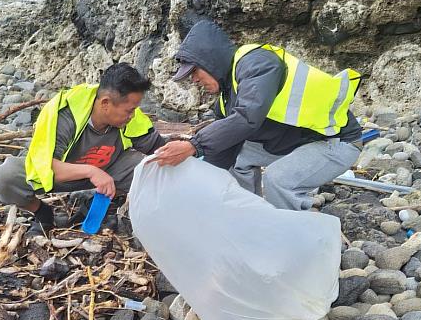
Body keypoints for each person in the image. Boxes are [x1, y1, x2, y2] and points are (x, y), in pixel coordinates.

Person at [153, 20, 363, 211]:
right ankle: (249, 213)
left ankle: (289, 239)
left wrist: (194, 145)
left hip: (335, 141)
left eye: (195, 72)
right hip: (298, 141)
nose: (195, 81)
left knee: (277, 180)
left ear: (210, 60)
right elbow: (221, 153)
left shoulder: (256, 63)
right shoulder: (226, 100)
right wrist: (197, 180)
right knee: (236, 155)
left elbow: (248, 117)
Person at [0, 63, 165, 235]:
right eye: (129, 111)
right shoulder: (66, 113)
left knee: (150, 169)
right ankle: (42, 213)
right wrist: (92, 172)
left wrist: (188, 149)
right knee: (5, 177)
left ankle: (95, 205)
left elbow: (158, 148)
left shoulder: (128, 116)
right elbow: (48, 167)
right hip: (63, 173)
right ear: (105, 103)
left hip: (109, 170)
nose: (132, 116)